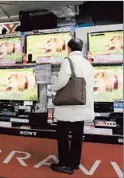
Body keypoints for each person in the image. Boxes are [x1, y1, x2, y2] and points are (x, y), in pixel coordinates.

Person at [50, 38, 95, 174]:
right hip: (82, 105)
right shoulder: (88, 64)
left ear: (69, 48)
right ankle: (74, 162)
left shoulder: (68, 61)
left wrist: (54, 86)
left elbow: (62, 81)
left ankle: (65, 164)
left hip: (68, 106)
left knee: (63, 135)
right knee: (77, 136)